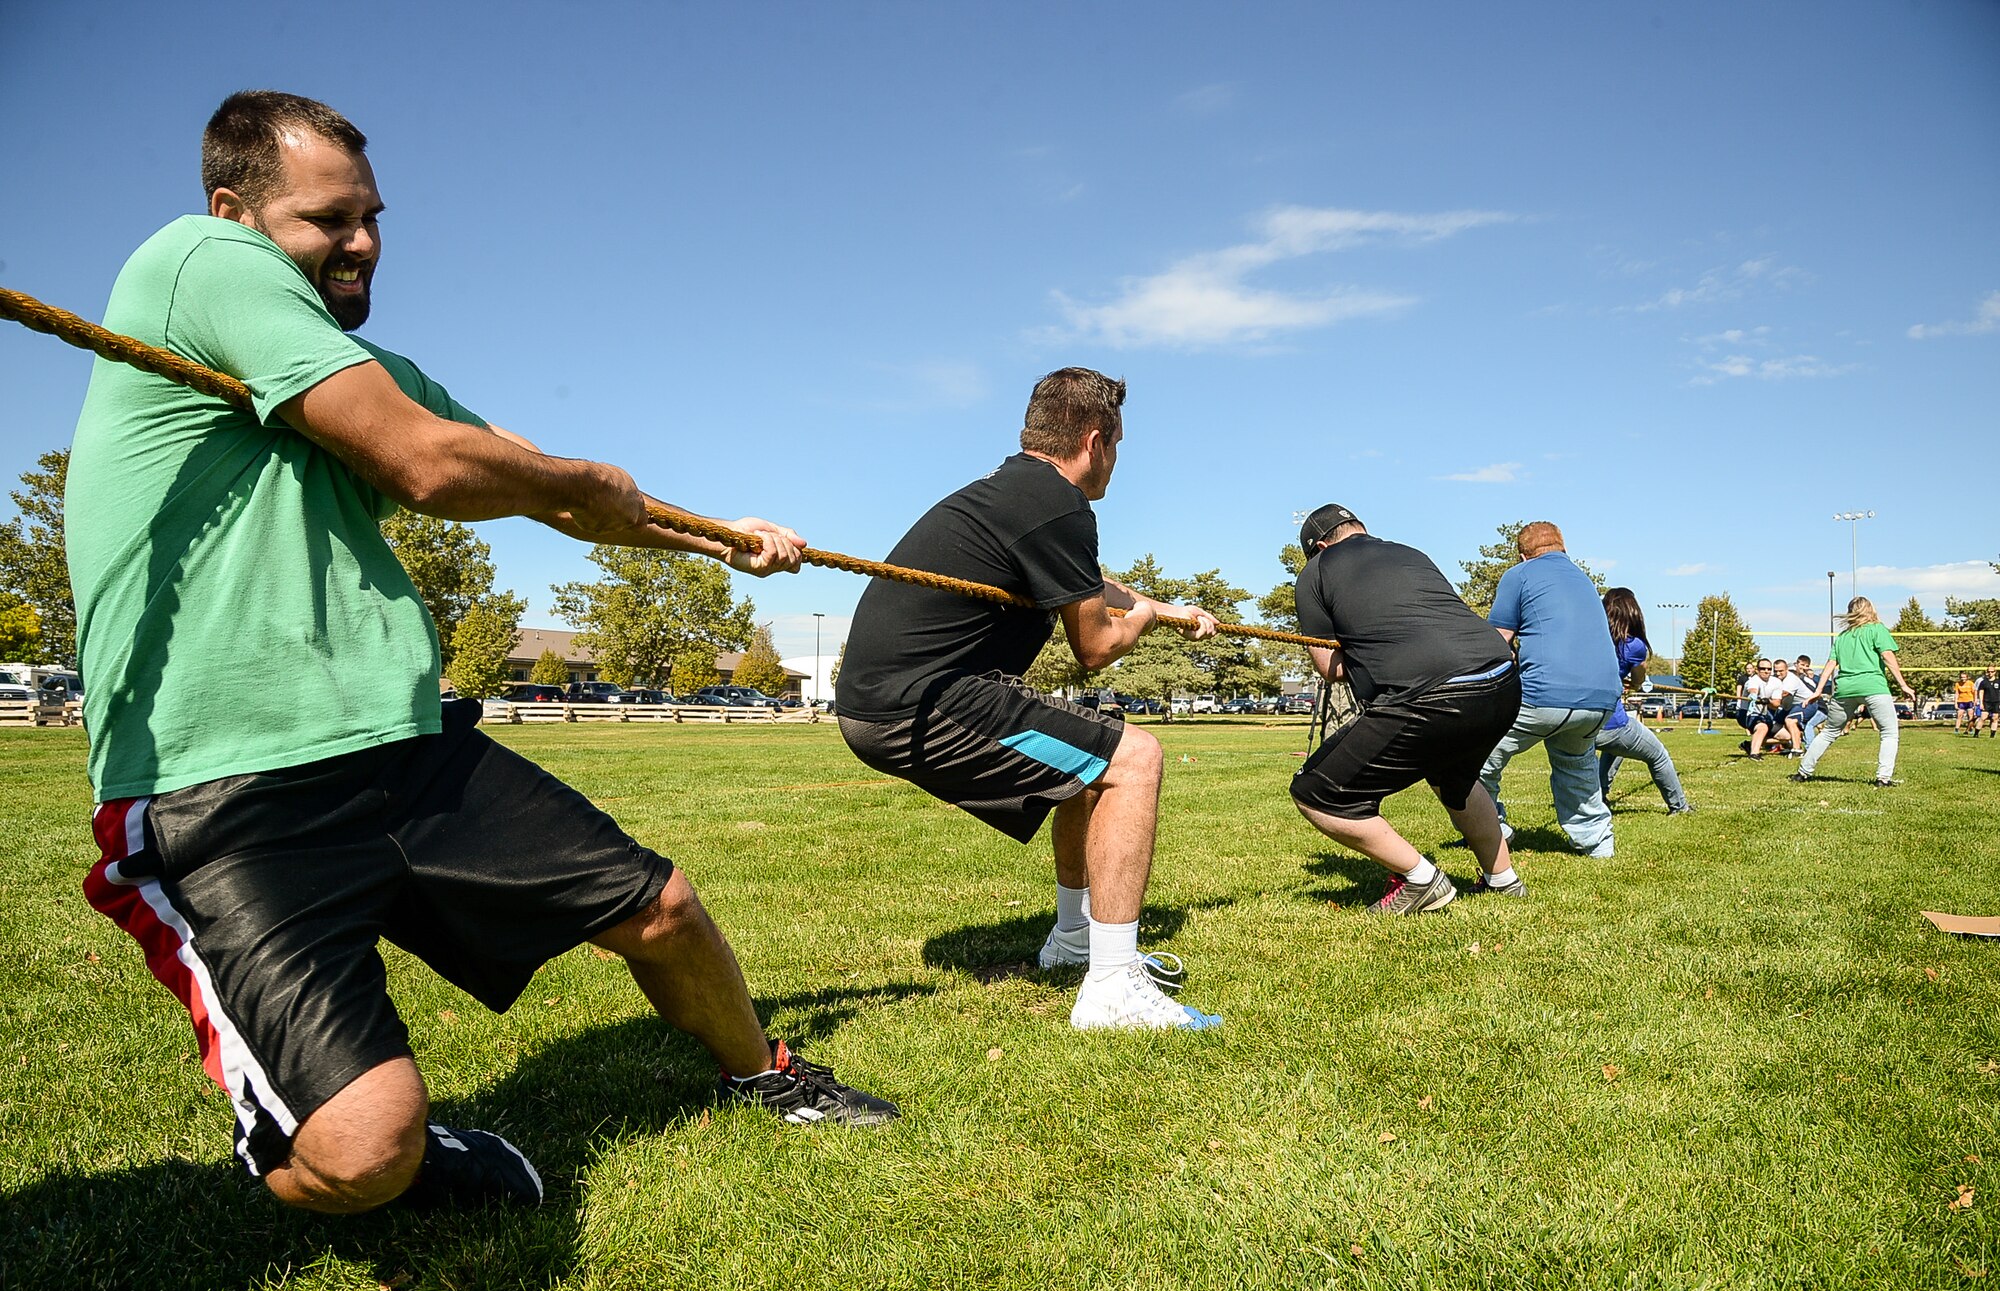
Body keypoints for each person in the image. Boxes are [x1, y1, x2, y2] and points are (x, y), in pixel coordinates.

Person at [65, 91, 897, 1216]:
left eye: (371, 215)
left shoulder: (366, 366)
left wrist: (720, 536)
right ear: (235, 210)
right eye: (326, 219)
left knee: (662, 908)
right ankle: (302, 1126)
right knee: (362, 1155)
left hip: (403, 747)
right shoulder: (194, 258)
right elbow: (429, 467)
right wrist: (582, 486)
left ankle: (765, 1071)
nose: (361, 241)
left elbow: (533, 477)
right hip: (225, 788)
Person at [835, 367, 1223, 1031]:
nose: (1115, 463)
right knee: (1135, 759)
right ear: (1096, 440)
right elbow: (1097, 646)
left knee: (1091, 758)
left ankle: (1075, 939)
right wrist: (1150, 619)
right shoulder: (1057, 502)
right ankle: (1111, 990)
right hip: (914, 701)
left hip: (894, 695)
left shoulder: (1020, 491)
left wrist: (1164, 606)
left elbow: (1094, 581)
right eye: (1119, 447)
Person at [1288, 505, 1523, 913]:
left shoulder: (1316, 571)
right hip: (1502, 680)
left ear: (1321, 546)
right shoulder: (1411, 553)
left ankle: (1422, 879)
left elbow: (1330, 667)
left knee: (1318, 794)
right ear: (1360, 530)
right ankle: (1504, 881)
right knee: (1456, 778)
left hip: (1433, 695)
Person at [1477, 522, 1621, 857]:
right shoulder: (1584, 580)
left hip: (1543, 697)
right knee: (1577, 768)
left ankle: (1491, 831)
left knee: (1475, 760)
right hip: (1601, 701)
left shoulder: (1519, 575)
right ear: (1562, 548)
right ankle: (1598, 845)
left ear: (1523, 554)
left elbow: (1497, 642)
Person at [1791, 597, 1917, 786]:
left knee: (1829, 732)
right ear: (1870, 609)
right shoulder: (1877, 629)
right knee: (1889, 733)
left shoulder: (1843, 637)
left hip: (1845, 690)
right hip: (1873, 686)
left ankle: (1802, 773)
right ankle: (1883, 778)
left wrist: (1818, 690)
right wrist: (1903, 685)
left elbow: (1830, 664)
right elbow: (1888, 657)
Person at [1593, 589, 1692, 815]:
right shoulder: (1634, 646)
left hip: (1578, 723)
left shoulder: (1589, 641)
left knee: (1616, 749)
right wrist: (1634, 683)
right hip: (1610, 723)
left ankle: (1600, 794)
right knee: (1658, 756)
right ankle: (1680, 807)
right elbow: (1638, 679)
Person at [1743, 657, 1809, 759]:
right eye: (1763, 669)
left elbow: (1778, 700)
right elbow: (1753, 689)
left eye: (1769, 669)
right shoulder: (1755, 680)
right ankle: (1754, 752)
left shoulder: (1783, 681)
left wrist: (1768, 701)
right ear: (1757, 670)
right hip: (1751, 713)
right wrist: (1754, 695)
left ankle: (1750, 744)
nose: (1767, 671)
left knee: (1788, 730)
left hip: (1804, 705)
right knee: (1763, 727)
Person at [1980, 667, 2000, 738]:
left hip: (1996, 702)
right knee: (1983, 717)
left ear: (1995, 672)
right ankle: (1976, 733)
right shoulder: (1984, 682)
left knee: (1995, 718)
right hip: (1987, 702)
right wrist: (1981, 703)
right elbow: (1981, 692)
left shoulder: (1998, 681)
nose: (1990, 673)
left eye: (1992, 671)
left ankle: (1992, 735)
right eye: (1989, 671)